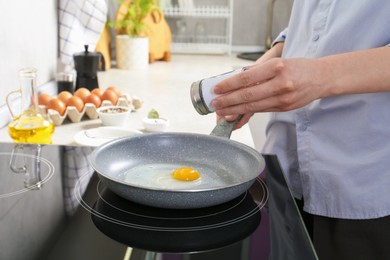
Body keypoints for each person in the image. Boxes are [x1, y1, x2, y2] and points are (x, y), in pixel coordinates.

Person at [211, 1, 390, 259]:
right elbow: (310, 24)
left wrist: (319, 76)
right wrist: (253, 79)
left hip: (364, 181)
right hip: (285, 170)